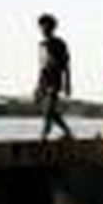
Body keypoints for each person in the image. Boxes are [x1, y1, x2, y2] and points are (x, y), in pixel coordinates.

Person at [36, 13, 73, 141]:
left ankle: (43, 136)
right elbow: (41, 67)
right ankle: (68, 132)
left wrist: (68, 83)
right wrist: (37, 86)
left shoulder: (60, 44)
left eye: (46, 27)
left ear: (52, 28)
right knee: (50, 112)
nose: (43, 30)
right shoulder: (41, 45)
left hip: (55, 80)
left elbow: (66, 65)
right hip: (44, 82)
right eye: (41, 27)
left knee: (48, 111)